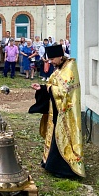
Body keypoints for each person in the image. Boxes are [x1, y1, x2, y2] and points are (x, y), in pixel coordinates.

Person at [29, 45, 85, 178]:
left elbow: (64, 92)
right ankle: (51, 164)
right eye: (50, 59)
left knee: (64, 139)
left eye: (53, 59)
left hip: (66, 114)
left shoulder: (70, 68)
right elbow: (53, 86)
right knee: (54, 137)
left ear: (61, 56)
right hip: (56, 111)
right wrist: (41, 88)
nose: (51, 62)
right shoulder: (59, 68)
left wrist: (49, 88)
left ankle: (65, 170)